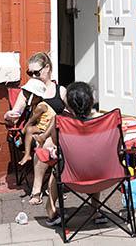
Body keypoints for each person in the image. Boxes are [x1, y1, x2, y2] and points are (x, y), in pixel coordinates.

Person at [4, 52, 67, 205]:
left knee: (53, 141)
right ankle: (37, 189)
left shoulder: (61, 91)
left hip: (59, 134)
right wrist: (9, 115)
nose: (33, 76)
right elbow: (16, 112)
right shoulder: (28, 91)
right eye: (29, 73)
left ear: (47, 68)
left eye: (36, 72)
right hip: (38, 135)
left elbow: (70, 113)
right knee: (45, 144)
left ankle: (52, 186)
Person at [43, 81, 106, 226]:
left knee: (56, 166)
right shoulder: (103, 121)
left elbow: (54, 140)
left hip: (71, 176)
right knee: (93, 160)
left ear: (69, 105)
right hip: (103, 175)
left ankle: (51, 210)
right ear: (91, 101)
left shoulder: (61, 123)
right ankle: (96, 209)